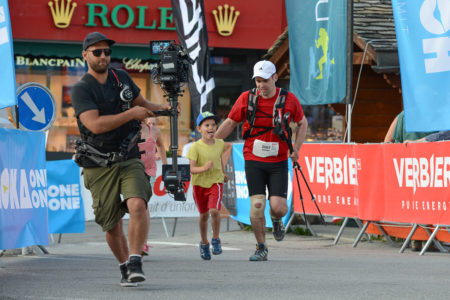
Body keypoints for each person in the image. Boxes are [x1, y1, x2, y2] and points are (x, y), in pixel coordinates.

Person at [71, 32, 170, 287]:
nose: (103, 56)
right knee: (111, 223)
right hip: (98, 163)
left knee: (138, 204)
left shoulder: (121, 77)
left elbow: (143, 104)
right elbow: (94, 125)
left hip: (128, 155)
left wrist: (166, 109)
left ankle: (136, 259)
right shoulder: (82, 89)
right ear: (85, 55)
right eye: (97, 52)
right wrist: (132, 115)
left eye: (107, 52)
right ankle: (125, 265)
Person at [215, 60, 308, 261]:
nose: (261, 85)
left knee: (278, 207)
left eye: (264, 80)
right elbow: (231, 122)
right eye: (257, 81)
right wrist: (212, 143)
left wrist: (297, 148)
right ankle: (261, 247)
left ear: (275, 78)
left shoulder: (289, 100)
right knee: (257, 205)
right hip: (253, 158)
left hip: (278, 161)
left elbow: (302, 123)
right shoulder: (246, 98)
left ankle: (276, 220)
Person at [187, 112, 231, 260]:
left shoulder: (220, 143)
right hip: (199, 184)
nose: (211, 127)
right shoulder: (195, 147)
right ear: (199, 129)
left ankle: (216, 239)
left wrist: (223, 173)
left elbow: (220, 157)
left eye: (213, 125)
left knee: (214, 211)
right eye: (207, 125)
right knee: (204, 215)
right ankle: (204, 243)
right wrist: (204, 168)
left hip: (215, 182)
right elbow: (191, 169)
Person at [138, 116, 168, 256]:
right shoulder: (132, 130)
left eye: (153, 122)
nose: (150, 123)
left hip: (149, 172)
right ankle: (135, 241)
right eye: (148, 121)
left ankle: (143, 243)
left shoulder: (155, 132)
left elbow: (161, 147)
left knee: (143, 206)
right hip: (131, 172)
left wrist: (167, 167)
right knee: (136, 207)